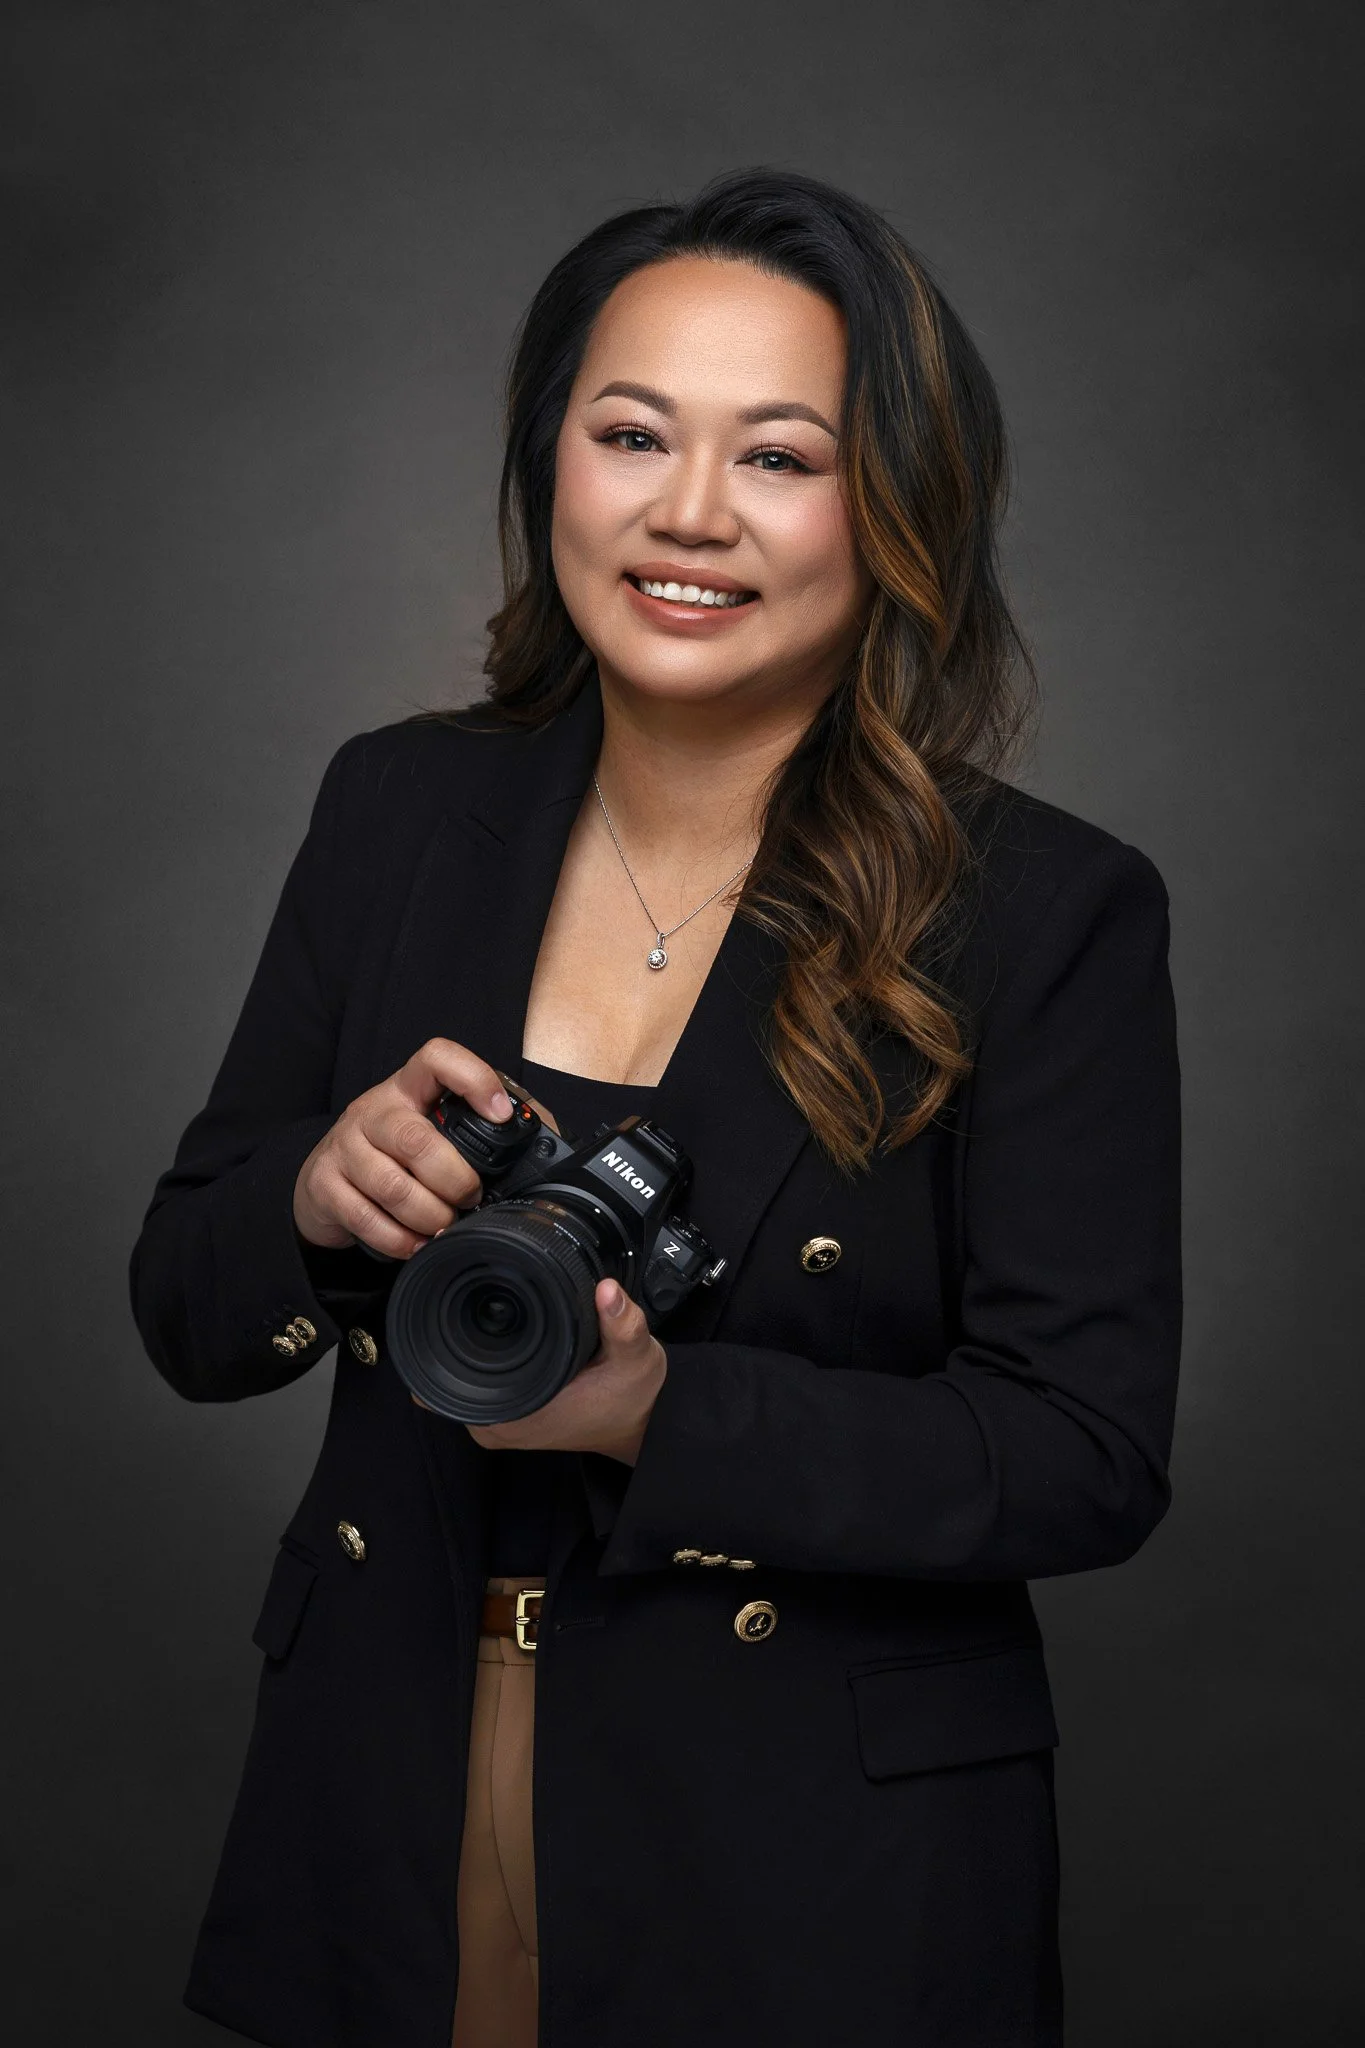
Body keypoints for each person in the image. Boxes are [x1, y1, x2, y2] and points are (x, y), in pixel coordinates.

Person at [129, 167, 1181, 2048]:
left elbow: (1084, 1452)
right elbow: (188, 1312)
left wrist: (662, 1414)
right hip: (385, 1776)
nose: (688, 514)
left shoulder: (1038, 913)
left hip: (805, 1844)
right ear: (555, 466)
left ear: (898, 510)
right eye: (632, 433)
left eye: (780, 456)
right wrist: (309, 1194)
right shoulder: (396, 810)